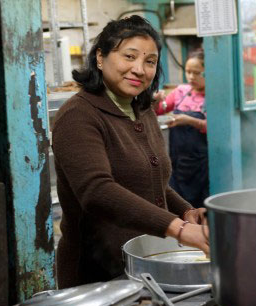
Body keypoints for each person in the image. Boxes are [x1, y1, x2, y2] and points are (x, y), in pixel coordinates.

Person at [52, 15, 209, 289]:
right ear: (100, 58)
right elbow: (97, 191)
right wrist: (179, 229)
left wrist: (186, 212)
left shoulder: (141, 110)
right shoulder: (78, 115)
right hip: (97, 274)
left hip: (142, 264)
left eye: (150, 61)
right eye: (129, 56)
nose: (139, 69)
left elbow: (151, 182)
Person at [154, 49, 208, 208]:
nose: (191, 77)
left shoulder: (213, 95)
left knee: (200, 205)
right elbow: (158, 111)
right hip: (177, 161)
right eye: (188, 72)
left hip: (200, 163)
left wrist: (188, 120)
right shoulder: (181, 91)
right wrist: (156, 100)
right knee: (179, 204)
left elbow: (213, 128)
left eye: (197, 73)